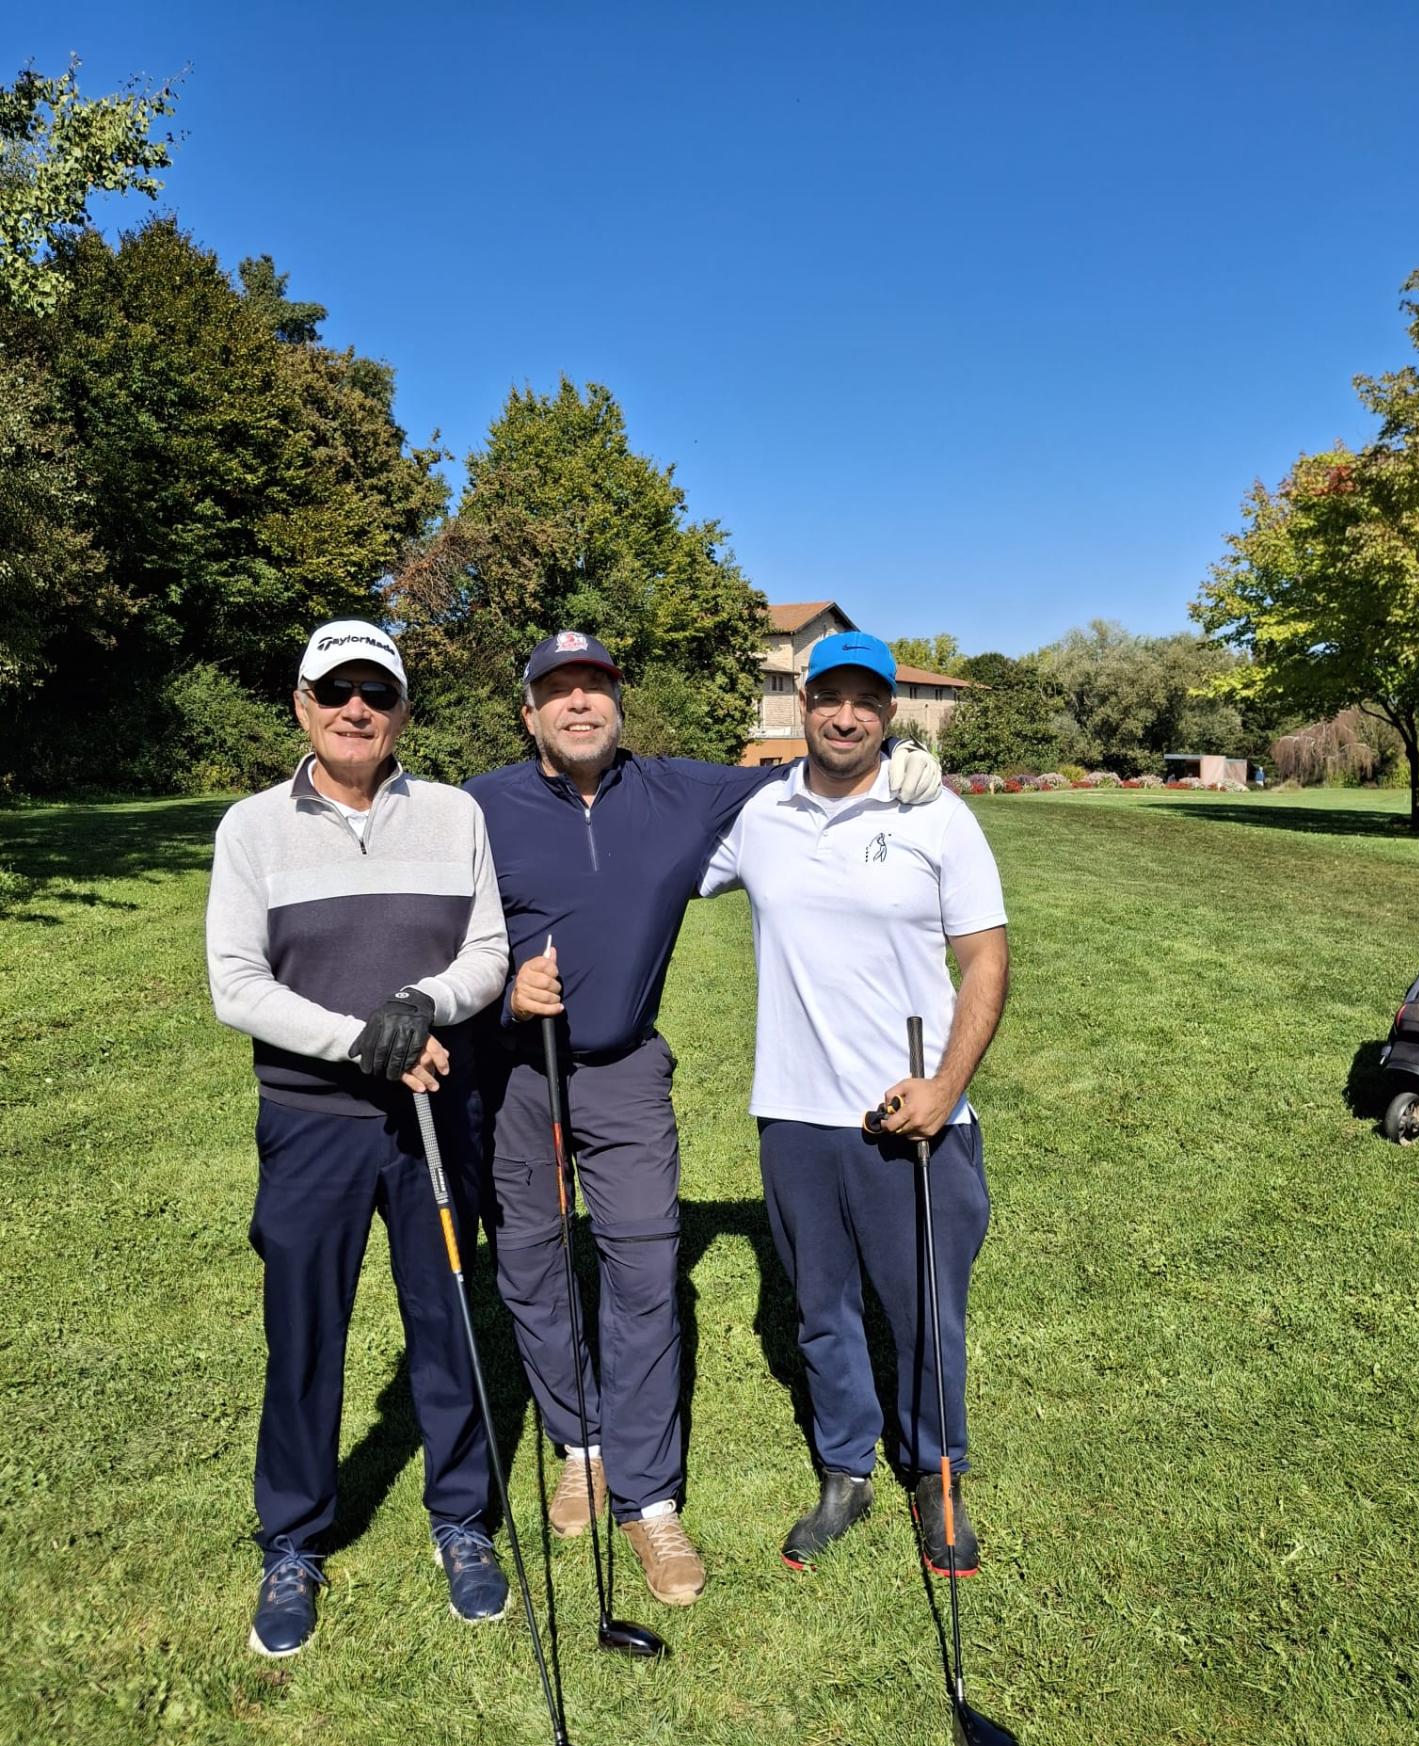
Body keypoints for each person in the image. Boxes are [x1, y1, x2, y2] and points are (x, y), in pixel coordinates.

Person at [464, 631, 942, 1606]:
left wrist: (897, 760)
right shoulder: (477, 808)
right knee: (531, 1267)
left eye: (595, 686)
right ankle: (581, 1443)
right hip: (512, 1071)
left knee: (645, 1271)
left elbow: (814, 764)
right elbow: (427, 936)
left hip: (626, 1070)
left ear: (619, 702)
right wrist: (505, 992)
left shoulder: (678, 790)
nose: (580, 704)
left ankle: (649, 1501)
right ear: (529, 713)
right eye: (558, 691)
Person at [206, 619, 511, 1657]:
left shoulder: (456, 813)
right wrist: (362, 1043)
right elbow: (235, 985)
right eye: (334, 690)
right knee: (305, 1340)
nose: (355, 710)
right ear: (300, 706)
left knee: (449, 1324)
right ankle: (293, 1538)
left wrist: (421, 1003)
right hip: (311, 1126)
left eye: (375, 692)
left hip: (434, 1117)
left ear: (402, 711)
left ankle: (461, 1520)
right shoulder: (251, 828)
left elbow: (488, 951)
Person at [698, 632, 1009, 1575]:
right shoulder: (758, 814)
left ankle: (935, 1472)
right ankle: (846, 1472)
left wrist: (946, 1088)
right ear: (801, 700)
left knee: (923, 1310)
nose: (844, 716)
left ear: (888, 712)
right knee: (823, 1307)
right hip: (795, 1112)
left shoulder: (937, 813)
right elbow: (653, 852)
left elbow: (985, 957)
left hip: (914, 1114)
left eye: (864, 701)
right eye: (827, 696)